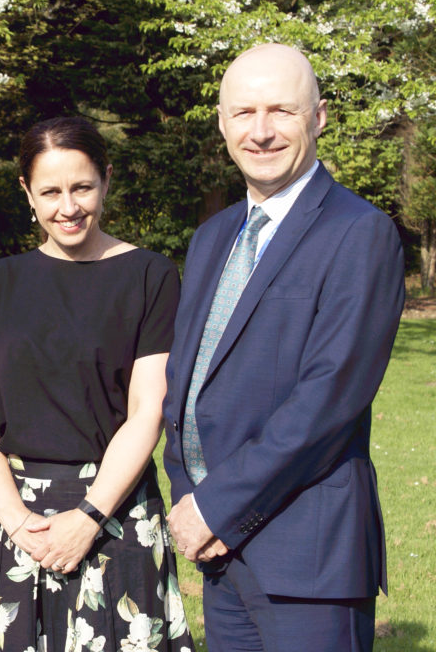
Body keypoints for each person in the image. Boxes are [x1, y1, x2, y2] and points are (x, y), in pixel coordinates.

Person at [164, 43, 404, 650]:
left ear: (318, 118)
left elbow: (327, 401)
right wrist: (190, 497)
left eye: (282, 111)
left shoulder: (360, 233)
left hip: (307, 556)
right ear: (223, 124)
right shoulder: (213, 237)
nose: (262, 131)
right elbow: (186, 380)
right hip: (221, 554)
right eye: (244, 113)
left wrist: (216, 506)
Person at [0, 116, 194, 652]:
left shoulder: (151, 275)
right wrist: (17, 521)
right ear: (27, 192)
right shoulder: (2, 280)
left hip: (116, 514)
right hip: (17, 517)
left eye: (82, 187)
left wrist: (89, 518)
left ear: (106, 180)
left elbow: (147, 410)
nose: (68, 207)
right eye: (50, 192)